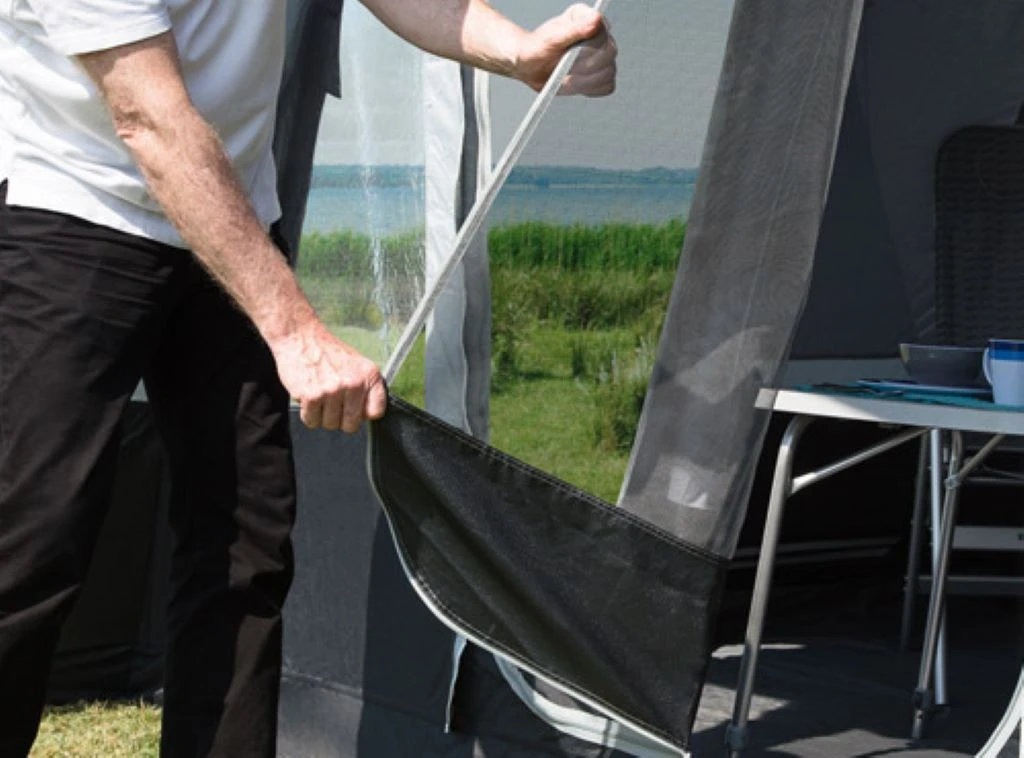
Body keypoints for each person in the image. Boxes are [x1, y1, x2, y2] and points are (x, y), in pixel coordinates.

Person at [0, 1, 617, 755]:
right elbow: (149, 120)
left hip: (230, 217)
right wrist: (294, 332)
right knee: (28, 541)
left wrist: (516, 50)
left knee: (244, 547)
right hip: (67, 211)